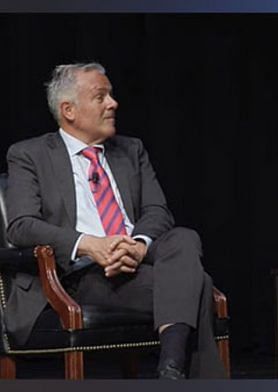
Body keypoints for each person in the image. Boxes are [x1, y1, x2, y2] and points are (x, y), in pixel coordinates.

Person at [4, 63, 226, 379]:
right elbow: (22, 225)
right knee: (199, 285)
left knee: (184, 237)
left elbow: (157, 211)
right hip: (83, 276)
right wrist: (89, 245)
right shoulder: (29, 154)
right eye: (101, 97)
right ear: (69, 110)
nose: (113, 103)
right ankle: (174, 370)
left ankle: (170, 371)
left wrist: (136, 246)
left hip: (137, 262)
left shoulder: (130, 149)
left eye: (111, 95)